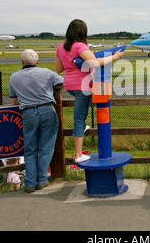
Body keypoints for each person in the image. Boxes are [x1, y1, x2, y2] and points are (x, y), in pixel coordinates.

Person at [55, 19, 124, 163]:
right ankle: (78, 155)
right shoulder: (80, 46)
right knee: (79, 119)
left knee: (82, 114)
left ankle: (82, 129)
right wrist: (114, 57)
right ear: (83, 32)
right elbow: (94, 62)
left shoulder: (61, 47)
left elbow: (59, 69)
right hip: (82, 86)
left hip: (69, 85)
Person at [9, 49, 64, 193]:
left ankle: (30, 183)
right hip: (47, 110)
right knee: (46, 147)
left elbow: (14, 100)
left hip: (28, 113)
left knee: (30, 149)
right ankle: (42, 180)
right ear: (37, 62)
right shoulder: (46, 73)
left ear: (22, 62)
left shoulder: (14, 77)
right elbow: (63, 82)